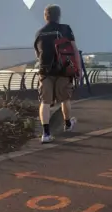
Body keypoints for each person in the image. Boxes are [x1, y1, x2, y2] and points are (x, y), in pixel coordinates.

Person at [34, 4, 82, 144]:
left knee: (45, 102)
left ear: (45, 16)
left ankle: (46, 134)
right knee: (65, 99)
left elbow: (38, 54)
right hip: (63, 70)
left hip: (45, 72)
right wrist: (77, 70)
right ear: (58, 16)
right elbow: (74, 50)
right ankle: (67, 124)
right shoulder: (65, 29)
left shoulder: (39, 33)